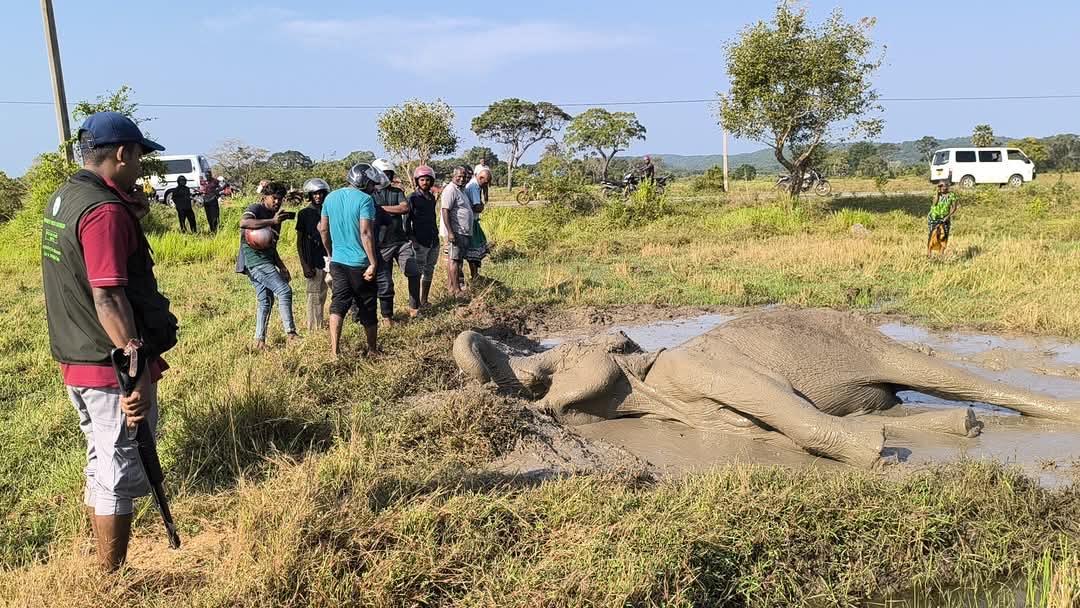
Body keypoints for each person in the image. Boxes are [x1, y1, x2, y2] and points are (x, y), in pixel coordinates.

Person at [42, 111, 178, 571]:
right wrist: (135, 369)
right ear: (122, 153)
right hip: (109, 364)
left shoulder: (66, 197)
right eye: (139, 155)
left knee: (101, 458)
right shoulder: (103, 212)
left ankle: (102, 560)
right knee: (120, 466)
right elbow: (107, 295)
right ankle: (111, 575)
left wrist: (129, 215)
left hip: (76, 353)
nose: (141, 165)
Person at [319, 163, 387, 358]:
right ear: (364, 182)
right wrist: (373, 263)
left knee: (338, 303)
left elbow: (323, 230)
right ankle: (373, 350)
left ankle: (334, 352)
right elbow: (365, 232)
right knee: (367, 305)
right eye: (372, 184)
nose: (374, 188)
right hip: (360, 263)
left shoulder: (330, 198)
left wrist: (331, 254)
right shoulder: (365, 200)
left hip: (338, 262)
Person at [236, 182, 299, 349]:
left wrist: (282, 266)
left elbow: (272, 246)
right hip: (255, 262)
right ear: (265, 197)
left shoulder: (276, 217)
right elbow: (244, 223)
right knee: (284, 290)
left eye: (280, 199)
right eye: (274, 198)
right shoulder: (256, 209)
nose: (277, 202)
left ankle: (259, 341)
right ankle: (291, 334)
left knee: (266, 300)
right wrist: (272, 220)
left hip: (267, 260)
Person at [371, 158, 421, 324]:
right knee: (385, 283)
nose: (386, 177)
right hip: (381, 245)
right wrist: (391, 210)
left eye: (388, 174)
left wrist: (380, 209)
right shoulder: (370, 194)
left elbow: (404, 208)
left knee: (413, 271)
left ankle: (415, 308)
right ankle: (387, 317)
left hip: (400, 241)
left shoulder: (396, 191)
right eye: (383, 174)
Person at [296, 178, 331, 331]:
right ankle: (315, 328)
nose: (318, 196)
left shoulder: (330, 211)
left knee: (337, 290)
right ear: (310, 195)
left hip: (331, 257)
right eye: (315, 194)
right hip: (313, 260)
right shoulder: (304, 214)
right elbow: (300, 241)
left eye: (321, 193)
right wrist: (304, 264)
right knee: (314, 295)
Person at [406, 165, 440, 307]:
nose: (425, 182)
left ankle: (424, 300)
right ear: (417, 181)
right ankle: (415, 303)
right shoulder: (412, 198)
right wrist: (413, 241)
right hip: (420, 241)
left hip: (433, 239)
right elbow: (406, 222)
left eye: (427, 180)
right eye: (422, 180)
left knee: (429, 270)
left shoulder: (431, 197)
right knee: (417, 272)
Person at [440, 166, 473, 299]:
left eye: (464, 176)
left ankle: (451, 288)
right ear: (453, 176)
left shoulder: (461, 190)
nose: (462, 178)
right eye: (459, 176)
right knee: (454, 260)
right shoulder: (450, 190)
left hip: (463, 231)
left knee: (458, 261)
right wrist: (450, 232)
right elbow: (445, 210)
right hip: (455, 231)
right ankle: (456, 290)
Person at [463, 167, 491, 284]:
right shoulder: (474, 187)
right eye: (485, 182)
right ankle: (474, 276)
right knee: (473, 250)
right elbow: (477, 207)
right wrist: (482, 206)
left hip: (473, 221)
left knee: (477, 248)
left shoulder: (474, 185)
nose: (486, 185)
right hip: (472, 222)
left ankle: (475, 275)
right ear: (480, 178)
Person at [927, 181, 959, 257]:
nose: (943, 187)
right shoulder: (937, 194)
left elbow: (954, 208)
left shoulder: (952, 195)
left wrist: (947, 217)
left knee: (944, 235)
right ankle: (929, 253)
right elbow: (934, 204)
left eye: (944, 186)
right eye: (940, 186)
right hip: (934, 217)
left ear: (947, 186)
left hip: (945, 218)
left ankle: (941, 254)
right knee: (933, 235)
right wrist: (937, 194)